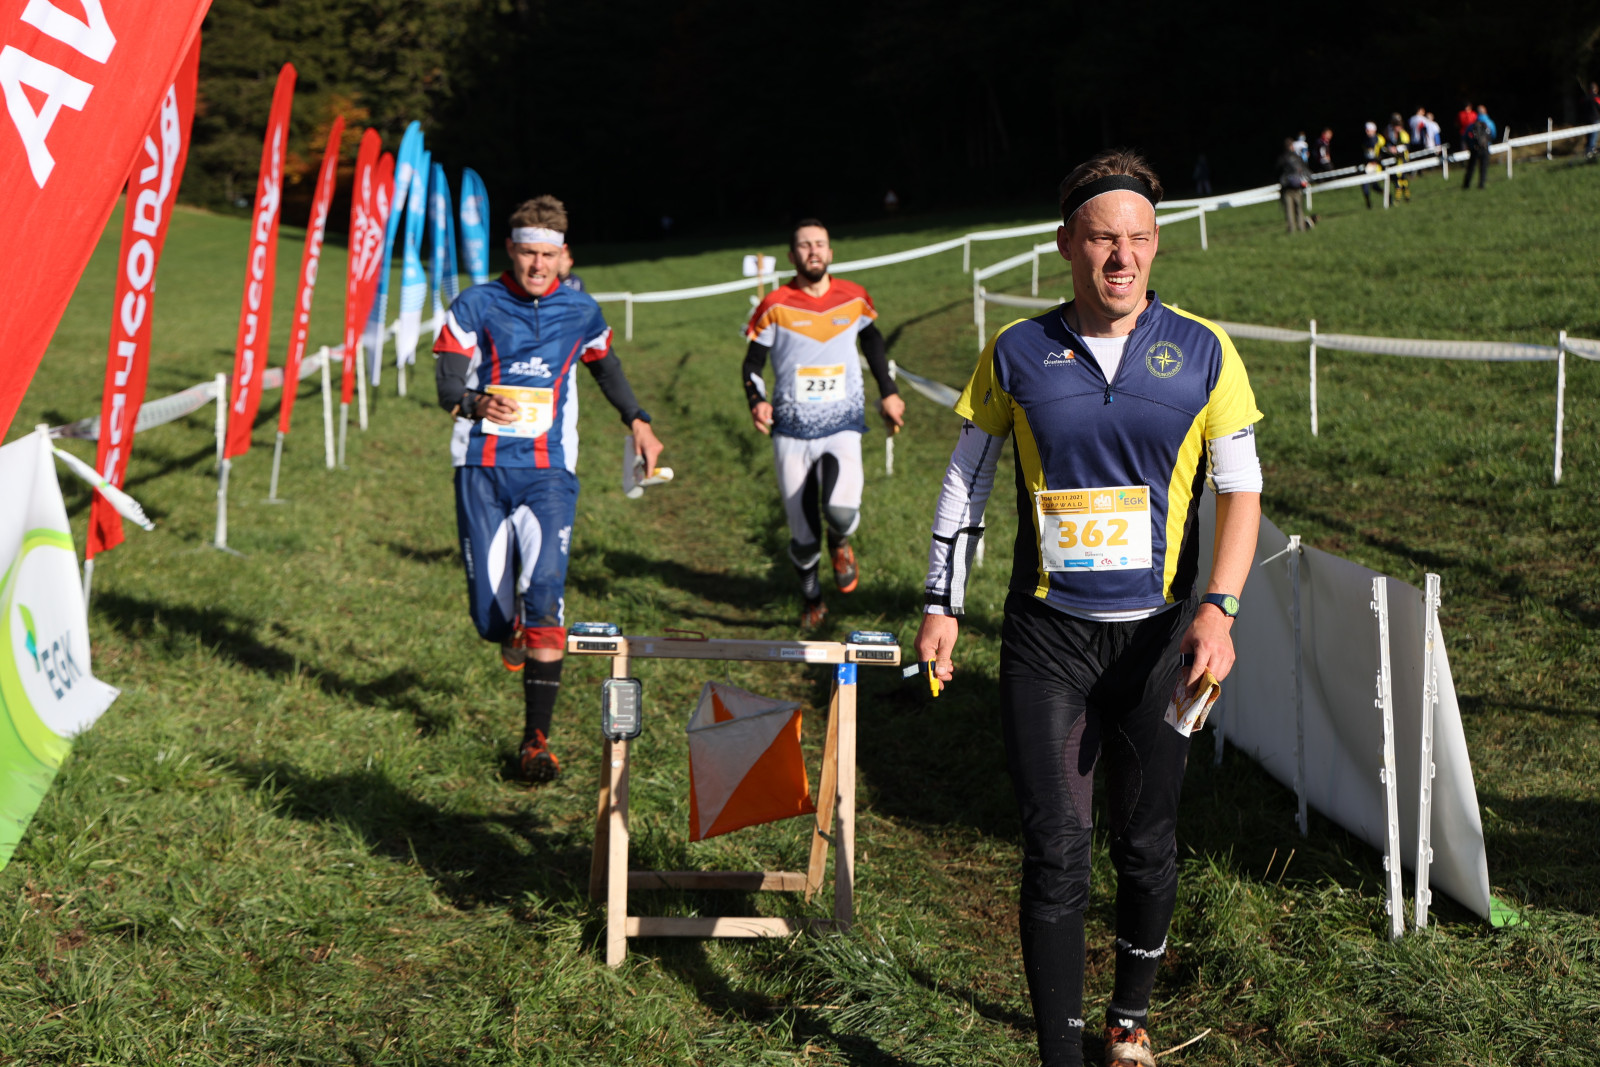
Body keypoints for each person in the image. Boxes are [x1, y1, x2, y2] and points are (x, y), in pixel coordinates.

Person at [915, 148, 1262, 1067]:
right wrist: (942, 602)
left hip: (1160, 646)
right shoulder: (1017, 351)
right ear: (1067, 243)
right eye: (1104, 238)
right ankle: (1060, 1055)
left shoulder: (1205, 351)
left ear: (1157, 244)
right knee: (1056, 849)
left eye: (1139, 238)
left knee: (1147, 844)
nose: (1122, 257)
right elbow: (965, 481)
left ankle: (1129, 1018)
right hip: (1047, 644)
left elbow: (1241, 490)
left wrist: (1219, 608)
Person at [433, 195, 665, 782]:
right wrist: (475, 402)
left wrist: (638, 421)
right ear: (510, 251)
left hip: (549, 474)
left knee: (545, 595)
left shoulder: (581, 311)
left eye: (548, 255)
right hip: (482, 471)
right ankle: (507, 626)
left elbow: (605, 365)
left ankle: (535, 740)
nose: (537, 265)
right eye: (528, 253)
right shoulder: (476, 304)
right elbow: (447, 385)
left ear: (563, 256)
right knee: (490, 621)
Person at [742, 219, 905, 629]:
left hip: (842, 425)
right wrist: (757, 402)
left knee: (841, 512)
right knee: (802, 534)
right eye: (804, 245)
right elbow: (752, 364)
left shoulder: (854, 296)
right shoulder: (774, 305)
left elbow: (872, 341)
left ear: (830, 252)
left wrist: (888, 391)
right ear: (792, 255)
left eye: (820, 244)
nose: (813, 250)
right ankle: (812, 597)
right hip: (791, 432)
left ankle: (841, 540)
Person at [1277, 137, 1311, 233]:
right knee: (1299, 209)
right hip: (1297, 187)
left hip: (1287, 188)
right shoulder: (1297, 157)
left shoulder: (1281, 158)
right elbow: (1304, 170)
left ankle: (1291, 230)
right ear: (1292, 146)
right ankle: (1302, 227)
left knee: (1289, 210)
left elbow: (1277, 172)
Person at [1382, 113, 1412, 202]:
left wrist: (1396, 149)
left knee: (1401, 177)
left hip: (1403, 157)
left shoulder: (1403, 134)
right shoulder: (1389, 131)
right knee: (1398, 177)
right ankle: (1403, 196)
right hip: (1396, 158)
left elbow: (1406, 146)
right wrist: (1390, 148)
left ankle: (1404, 195)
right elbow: (1387, 143)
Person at [1463, 107, 1493, 189]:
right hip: (1485, 147)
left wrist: (1470, 145)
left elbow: (1465, 137)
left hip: (1474, 149)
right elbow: (1493, 134)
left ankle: (1466, 185)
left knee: (1471, 167)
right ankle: (1481, 185)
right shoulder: (1489, 123)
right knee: (1483, 167)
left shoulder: (1472, 125)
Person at [1360, 121, 1382, 208]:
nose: (1366, 131)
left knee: (1374, 186)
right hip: (1368, 165)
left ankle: (1388, 196)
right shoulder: (1366, 140)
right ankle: (1368, 203)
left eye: (1368, 130)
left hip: (1375, 165)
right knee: (1365, 185)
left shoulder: (1377, 139)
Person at [1583, 82, 1599, 159]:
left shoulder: (1585, 98)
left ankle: (1588, 150)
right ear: (1596, 89)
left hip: (1587, 120)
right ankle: (1591, 150)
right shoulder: (1596, 98)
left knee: (1589, 136)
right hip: (1595, 119)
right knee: (1593, 136)